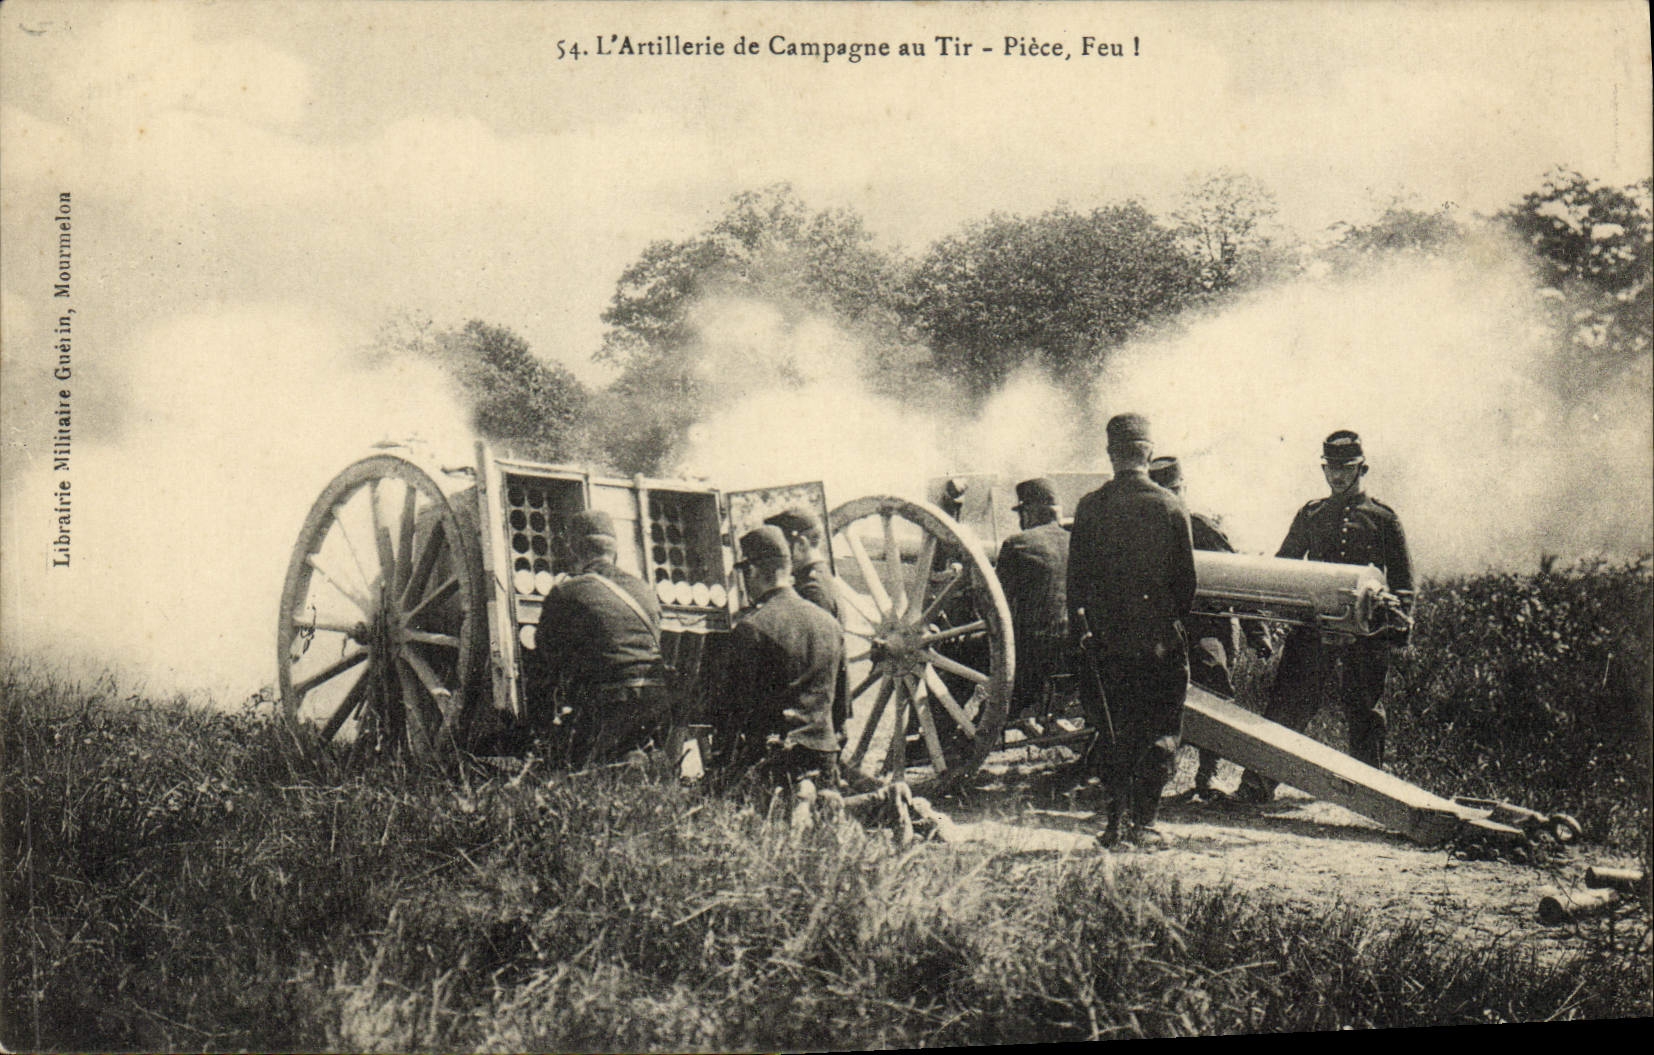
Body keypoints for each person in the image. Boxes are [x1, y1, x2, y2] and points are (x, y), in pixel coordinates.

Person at [1234, 429, 1414, 804]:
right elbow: (1284, 568)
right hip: (1313, 629)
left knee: (1364, 709)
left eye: (1345, 468)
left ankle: (1373, 794)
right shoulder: (1312, 514)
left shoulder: (1382, 519)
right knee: (1288, 703)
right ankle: (1257, 785)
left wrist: (1394, 629)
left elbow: (1403, 584)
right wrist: (1284, 611)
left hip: (1366, 632)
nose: (1337, 476)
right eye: (1330, 468)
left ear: (1362, 468)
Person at [1067, 414, 1197, 846]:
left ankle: (1114, 823)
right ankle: (1146, 824)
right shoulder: (1170, 505)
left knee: (1113, 728)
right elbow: (1186, 584)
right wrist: (1167, 621)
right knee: (1159, 729)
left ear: (1111, 454)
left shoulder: (1089, 506)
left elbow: (1076, 583)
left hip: (1106, 642)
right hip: (1158, 640)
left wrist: (1088, 632)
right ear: (1149, 452)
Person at [1147, 456, 1271, 799]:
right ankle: (1155, 772)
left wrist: (1256, 632)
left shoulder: (1200, 528)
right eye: (1161, 492)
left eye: (1173, 491)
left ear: (1183, 489)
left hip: (1206, 628)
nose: (1169, 499)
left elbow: (1237, 580)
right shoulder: (1144, 528)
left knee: (1215, 682)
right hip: (1162, 629)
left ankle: (1208, 772)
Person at [522, 509, 672, 768]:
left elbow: (545, 664)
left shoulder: (567, 592)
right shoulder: (645, 590)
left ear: (574, 552)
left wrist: (538, 728)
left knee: (570, 765)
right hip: (654, 703)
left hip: (605, 707)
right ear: (614, 551)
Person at [714, 525, 844, 789]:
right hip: (824, 759)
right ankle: (884, 800)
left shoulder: (753, 627)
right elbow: (840, 706)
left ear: (751, 571)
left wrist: (719, 772)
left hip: (776, 763)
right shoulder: (830, 624)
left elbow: (735, 711)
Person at [764, 506, 850, 746]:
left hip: (816, 720)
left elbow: (812, 663)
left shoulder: (813, 590)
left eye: (781, 551)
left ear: (800, 545)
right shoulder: (817, 579)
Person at [994, 478, 1071, 730]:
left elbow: (994, 607)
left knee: (956, 652)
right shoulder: (1080, 543)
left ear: (1027, 513)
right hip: (1072, 655)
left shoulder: (1017, 544)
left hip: (1026, 657)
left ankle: (935, 739)